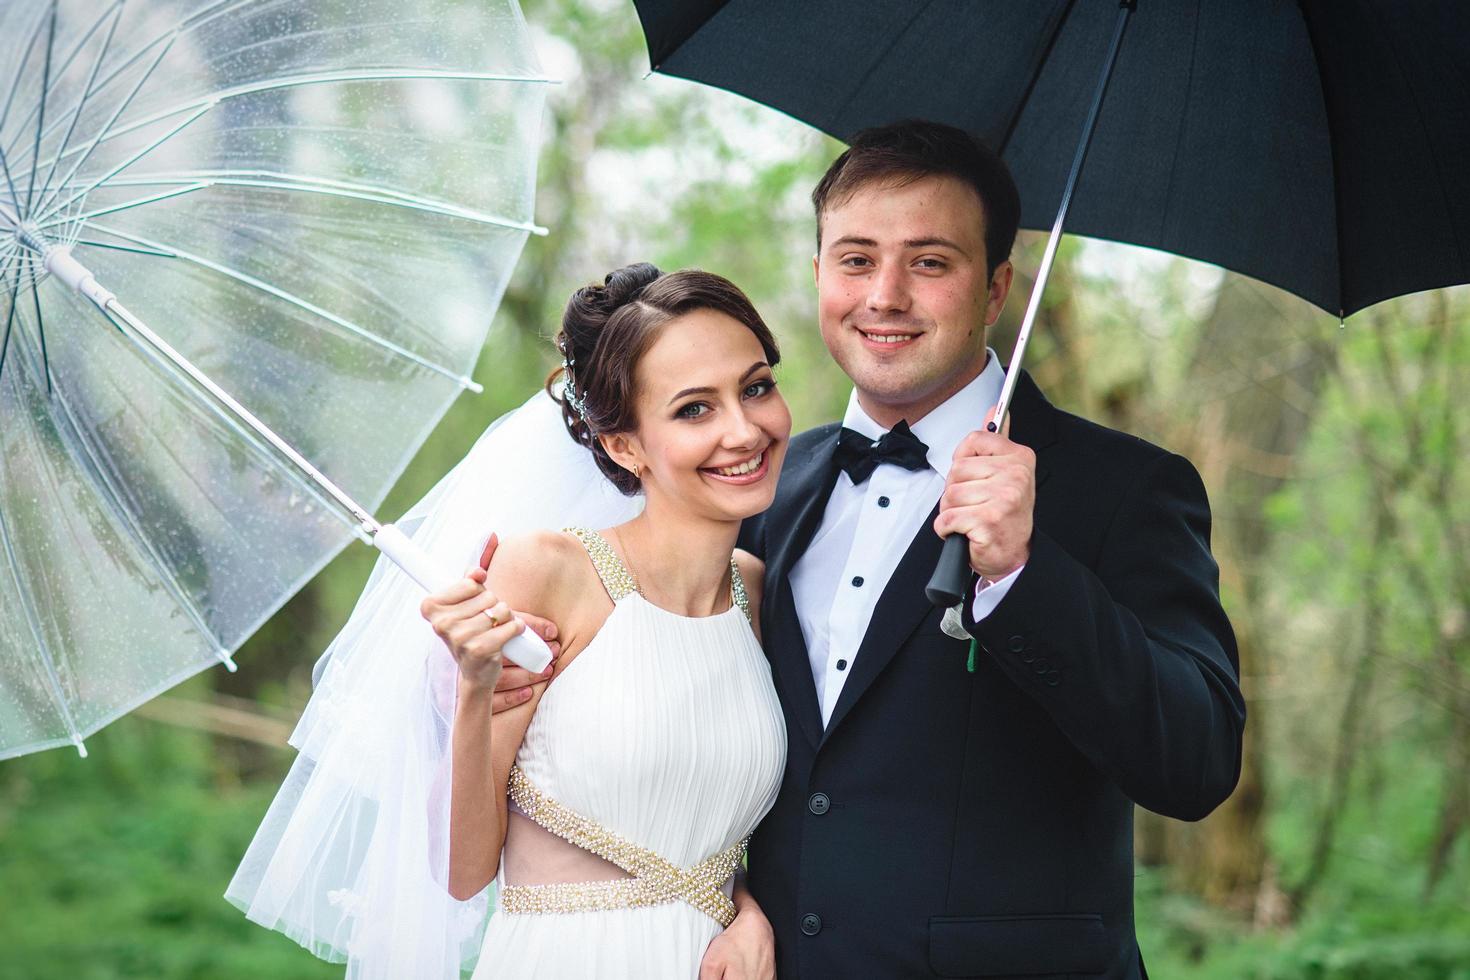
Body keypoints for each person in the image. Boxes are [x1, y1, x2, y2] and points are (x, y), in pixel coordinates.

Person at [496, 120, 1246, 979]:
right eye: (855, 259)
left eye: (930, 262)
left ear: (996, 288)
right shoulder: (762, 486)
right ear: (818, 275)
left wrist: (1023, 575)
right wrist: (735, 898)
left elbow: (1198, 761)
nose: (884, 295)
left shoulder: (1126, 488)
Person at [228, 264, 789, 980]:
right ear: (624, 445)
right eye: (693, 410)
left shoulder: (753, 590)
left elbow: (706, 827)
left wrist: (747, 909)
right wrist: (472, 686)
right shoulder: (547, 573)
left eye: (756, 388)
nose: (744, 430)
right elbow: (462, 872)